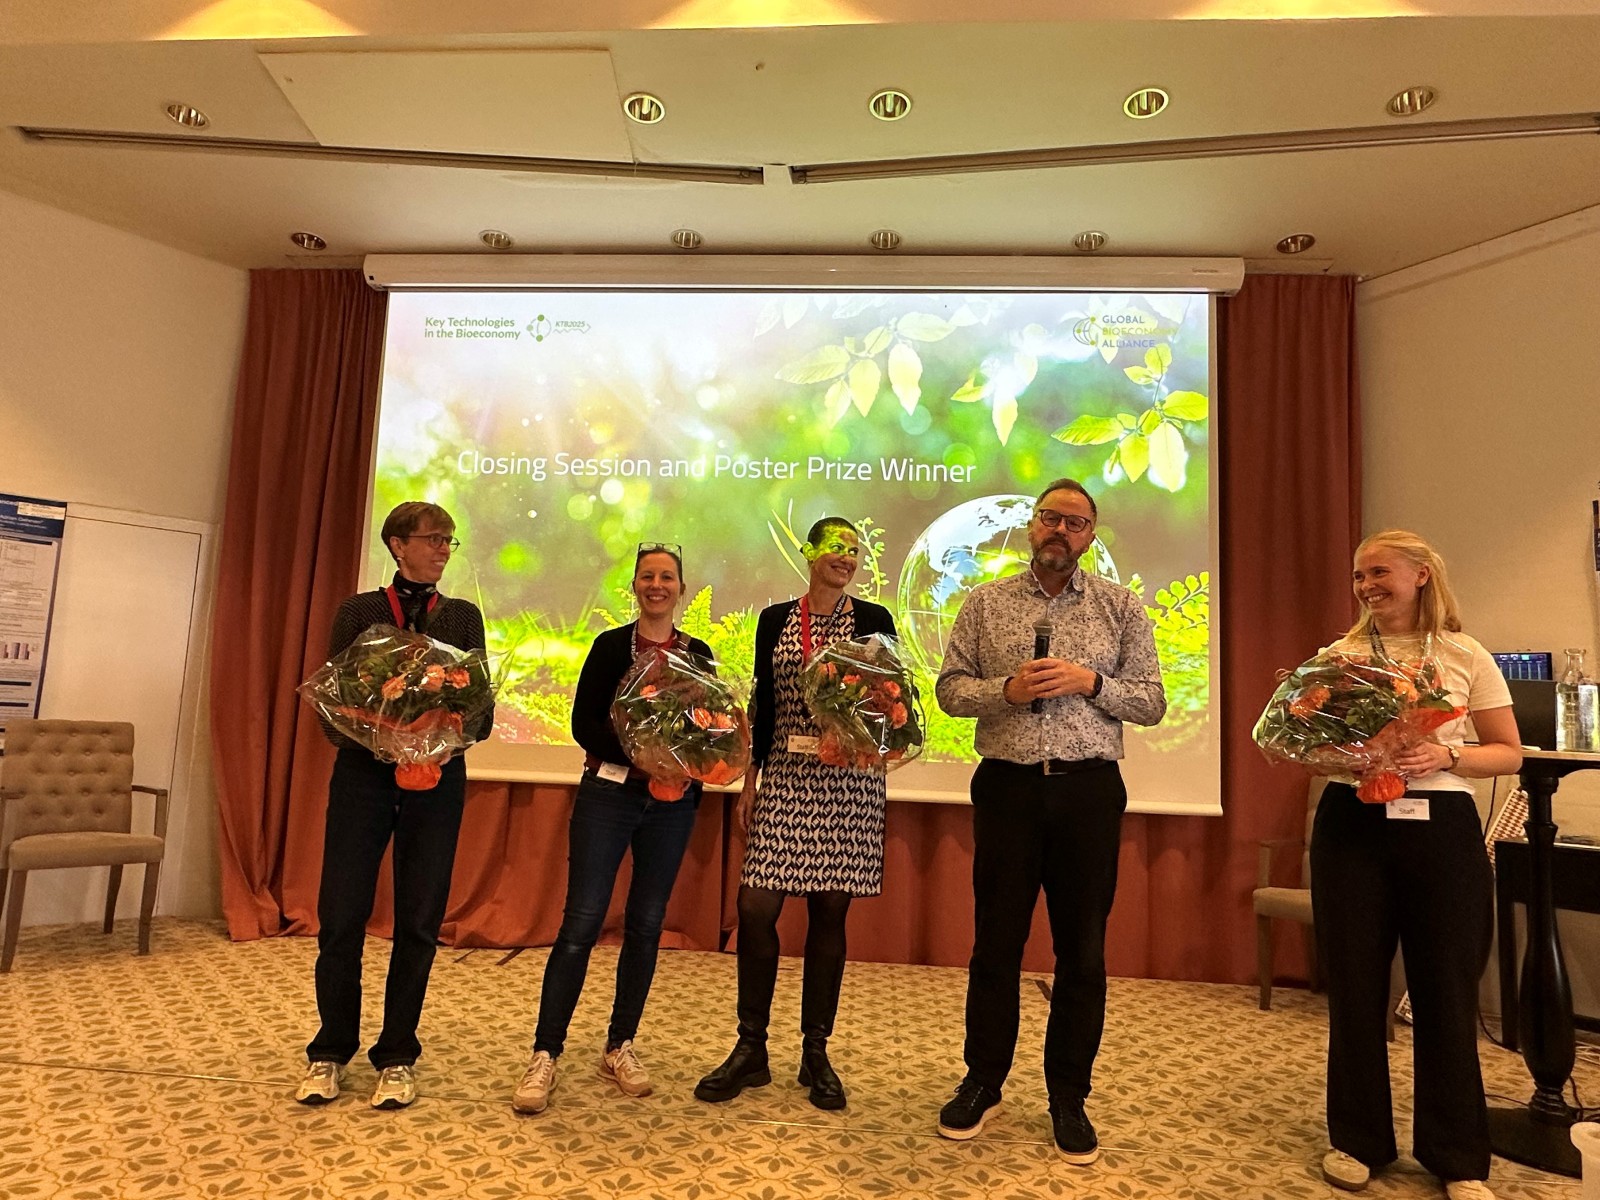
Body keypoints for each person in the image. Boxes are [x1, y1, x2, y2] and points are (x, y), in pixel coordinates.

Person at [932, 477, 1165, 1163]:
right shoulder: (986, 602)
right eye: (1049, 518)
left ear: (1090, 536)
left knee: (1082, 952)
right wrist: (1004, 690)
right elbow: (949, 692)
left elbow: (1151, 703)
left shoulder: (1120, 606)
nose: (1060, 530)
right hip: (1007, 789)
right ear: (1031, 526)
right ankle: (983, 1082)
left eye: (1076, 522)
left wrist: (1092, 683)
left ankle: (1069, 1096)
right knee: (995, 946)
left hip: (1087, 792)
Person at [1313, 531, 1521, 1200]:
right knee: (1354, 988)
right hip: (1351, 824)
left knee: (1446, 994)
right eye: (1358, 576)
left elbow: (1509, 752)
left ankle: (1457, 1156)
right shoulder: (1337, 658)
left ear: (1422, 575)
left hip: (1441, 827)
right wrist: (1343, 756)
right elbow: (1307, 747)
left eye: (1379, 572)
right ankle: (1357, 1140)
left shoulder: (1465, 654)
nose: (1366, 586)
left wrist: (1446, 755)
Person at [295, 501, 493, 1110]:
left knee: (419, 919)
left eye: (449, 541)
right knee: (342, 914)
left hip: (439, 780)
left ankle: (398, 1053)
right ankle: (330, 1050)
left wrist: (433, 744)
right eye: (433, 539)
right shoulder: (358, 612)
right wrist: (387, 743)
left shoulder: (462, 616)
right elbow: (333, 706)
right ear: (397, 544)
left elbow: (481, 712)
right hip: (363, 778)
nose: (443, 549)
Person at [694, 517, 896, 1111]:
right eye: (835, 547)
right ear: (809, 553)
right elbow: (765, 701)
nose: (846, 557)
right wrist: (749, 780)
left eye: (854, 550)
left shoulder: (875, 620)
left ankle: (816, 1052)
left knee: (830, 913)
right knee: (755, 908)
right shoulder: (776, 619)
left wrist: (867, 737)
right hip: (784, 774)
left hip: (848, 781)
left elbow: (890, 699)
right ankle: (751, 1047)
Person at [511, 543, 713, 1115]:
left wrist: (687, 765)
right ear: (635, 586)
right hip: (608, 796)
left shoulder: (698, 655)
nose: (657, 585)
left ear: (681, 588)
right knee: (580, 924)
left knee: (647, 925)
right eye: (647, 576)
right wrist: (646, 756)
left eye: (667, 576)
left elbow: (712, 727)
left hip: (672, 806)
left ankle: (619, 1046)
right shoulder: (608, 647)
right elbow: (584, 724)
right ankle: (545, 1052)